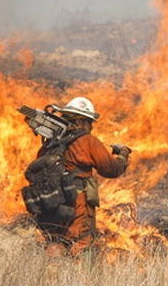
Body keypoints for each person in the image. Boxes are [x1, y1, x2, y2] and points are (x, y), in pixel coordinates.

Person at [29, 96, 130, 256]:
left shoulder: (50, 144)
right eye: (90, 122)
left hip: (51, 205)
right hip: (77, 204)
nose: (91, 127)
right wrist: (123, 156)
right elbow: (111, 169)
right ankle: (73, 279)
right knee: (80, 245)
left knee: (55, 243)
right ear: (81, 121)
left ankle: (49, 277)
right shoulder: (87, 141)